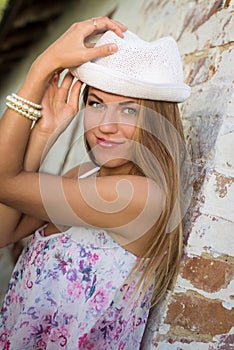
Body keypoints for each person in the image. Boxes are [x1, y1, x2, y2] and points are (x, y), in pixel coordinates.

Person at [0, 16, 191, 349]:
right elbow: (4, 232)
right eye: (96, 104)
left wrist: (42, 66)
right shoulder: (83, 176)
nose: (106, 125)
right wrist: (44, 131)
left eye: (129, 110)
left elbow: (3, 181)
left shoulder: (138, 196)